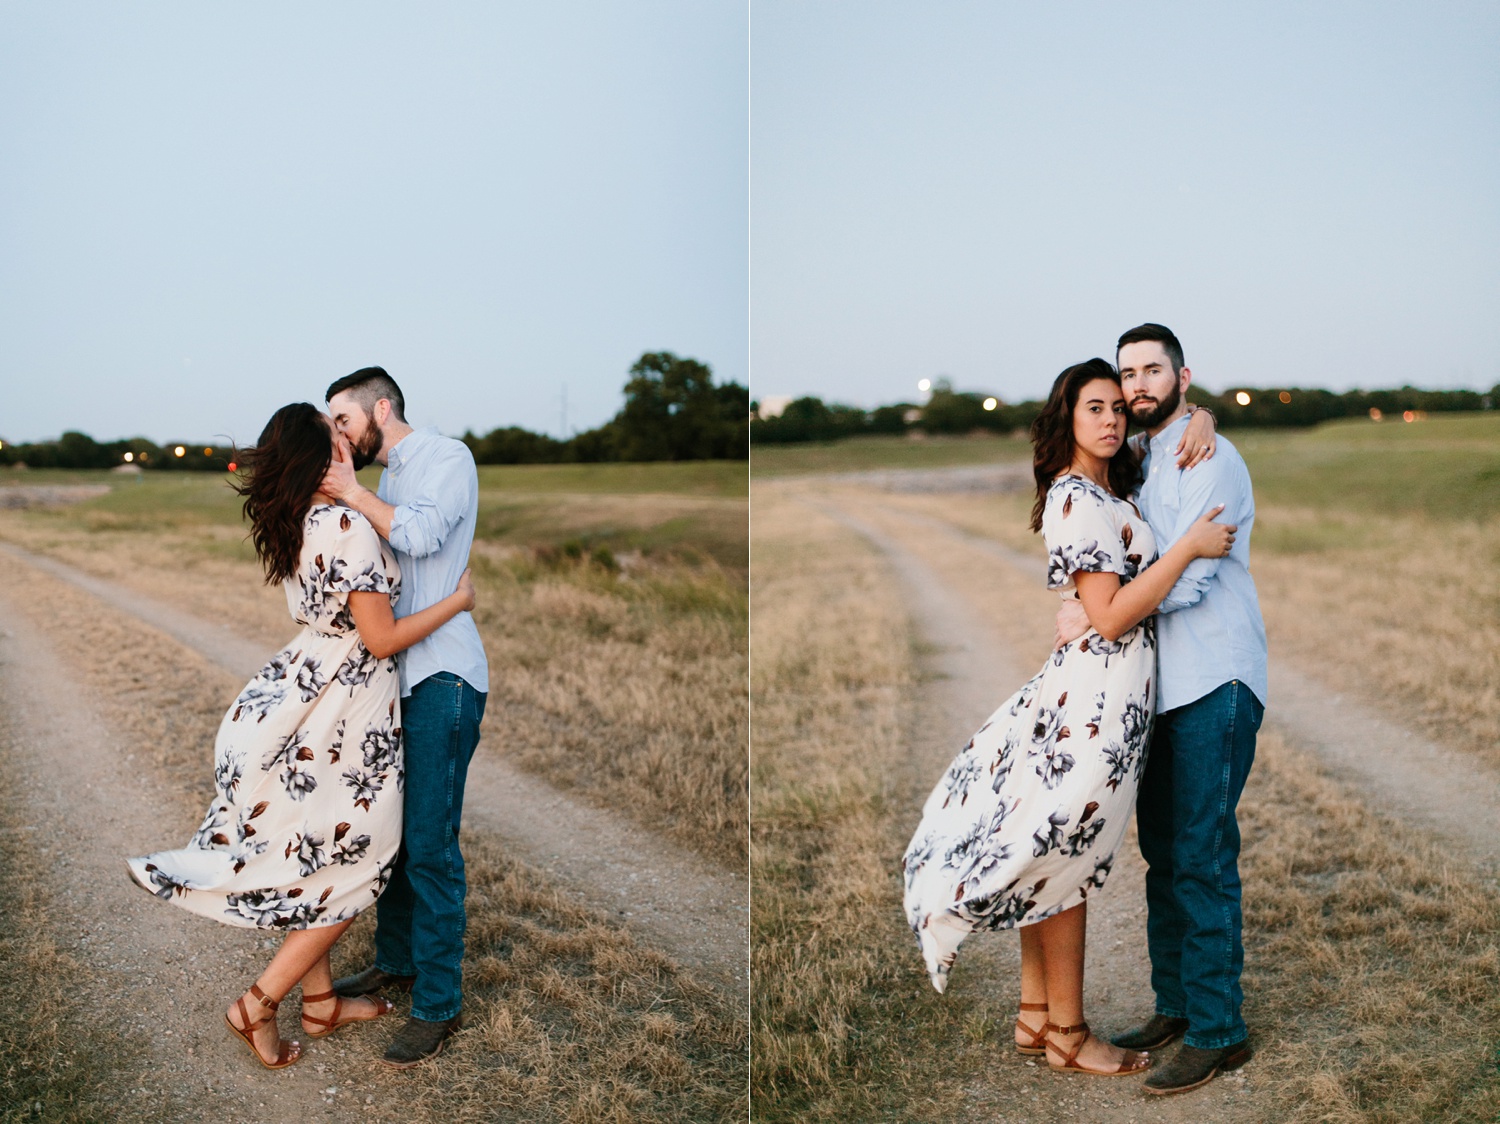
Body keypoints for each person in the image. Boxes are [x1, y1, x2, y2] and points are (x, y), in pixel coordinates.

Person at [902, 358, 1235, 1077]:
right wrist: (1187, 547)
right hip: (1094, 704)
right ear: (1068, 417)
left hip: (1109, 697)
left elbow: (1170, 425)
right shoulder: (1076, 497)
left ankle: (1034, 1016)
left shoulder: (1110, 484)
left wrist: (1203, 413)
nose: (1112, 419)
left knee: (1052, 845)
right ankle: (1070, 1034)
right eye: (1095, 408)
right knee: (1066, 855)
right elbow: (1110, 617)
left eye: (1117, 406)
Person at [126, 402, 477, 1069]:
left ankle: (320, 1005)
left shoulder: (294, 521)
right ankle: (257, 1005)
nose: (346, 440)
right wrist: (455, 603)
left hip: (296, 694)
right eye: (334, 434)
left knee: (311, 854)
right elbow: (380, 638)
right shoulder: (346, 525)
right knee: (356, 864)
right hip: (344, 708)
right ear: (323, 459)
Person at [1054, 324, 1268, 1095]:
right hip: (1157, 691)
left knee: (1202, 855)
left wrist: (1103, 614)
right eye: (1129, 373)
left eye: (1153, 370)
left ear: (1182, 375)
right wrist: (1100, 604)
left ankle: (1219, 1031)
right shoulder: (1138, 460)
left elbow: (1193, 580)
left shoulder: (1211, 456)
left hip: (1215, 677)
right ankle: (1176, 1005)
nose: (1139, 384)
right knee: (1166, 856)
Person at [317, 367, 490, 1068]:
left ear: (380, 408)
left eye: (343, 419)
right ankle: (396, 962)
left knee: (430, 844)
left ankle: (439, 1004)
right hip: (392, 677)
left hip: (444, 675)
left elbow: (415, 538)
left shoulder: (447, 458)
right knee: (389, 833)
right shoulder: (385, 480)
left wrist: (352, 493)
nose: (338, 433)